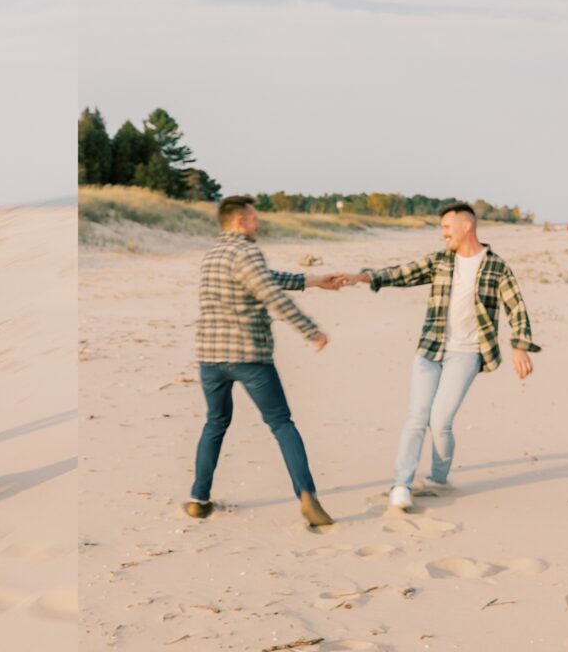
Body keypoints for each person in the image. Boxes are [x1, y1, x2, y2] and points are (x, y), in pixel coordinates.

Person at [341, 202, 540, 510]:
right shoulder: (440, 261)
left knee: (440, 421)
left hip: (468, 353)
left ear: (466, 226)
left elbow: (516, 306)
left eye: (446, 228)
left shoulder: (496, 266)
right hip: (430, 348)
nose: (443, 234)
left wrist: (520, 346)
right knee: (417, 417)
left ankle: (438, 478)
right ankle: (401, 484)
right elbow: (403, 274)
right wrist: (363, 277)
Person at [186, 194, 341, 526]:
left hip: (210, 358)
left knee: (215, 423)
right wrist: (311, 331)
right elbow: (271, 294)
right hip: (248, 355)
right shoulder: (246, 251)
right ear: (240, 220)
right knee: (282, 424)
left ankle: (198, 499)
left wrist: (314, 280)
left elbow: (266, 279)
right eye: (255, 217)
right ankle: (307, 497)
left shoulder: (213, 254)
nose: (259, 223)